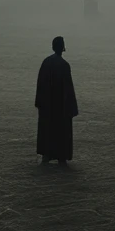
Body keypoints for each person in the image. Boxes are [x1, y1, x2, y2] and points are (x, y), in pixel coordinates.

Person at [35, 36, 79, 165]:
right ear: (62, 48)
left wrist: (39, 102)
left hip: (47, 104)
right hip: (61, 105)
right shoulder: (64, 65)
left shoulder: (46, 62)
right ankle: (61, 155)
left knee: (47, 129)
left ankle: (47, 154)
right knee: (61, 130)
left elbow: (40, 84)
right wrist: (71, 108)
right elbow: (68, 89)